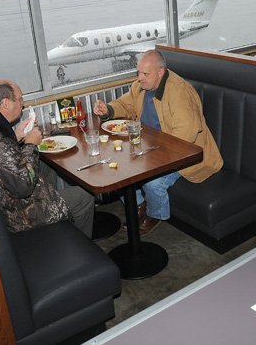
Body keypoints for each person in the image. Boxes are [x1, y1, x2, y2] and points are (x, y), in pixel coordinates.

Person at [94, 49, 223, 235]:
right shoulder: (141, 86)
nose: (140, 78)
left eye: (145, 74)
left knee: (153, 183)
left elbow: (186, 133)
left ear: (161, 72)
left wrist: (156, 157)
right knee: (116, 171)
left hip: (186, 155)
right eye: (138, 72)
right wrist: (107, 109)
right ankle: (139, 205)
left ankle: (155, 214)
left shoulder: (179, 92)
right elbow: (125, 104)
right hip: (149, 147)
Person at [0, 79, 94, 237]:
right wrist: (30, 144)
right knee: (85, 197)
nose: (23, 104)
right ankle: (76, 245)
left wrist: (16, 136)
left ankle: (58, 222)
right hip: (15, 213)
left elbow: (0, 155)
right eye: (20, 99)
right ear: (6, 103)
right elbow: (23, 186)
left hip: (4, 189)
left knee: (46, 164)